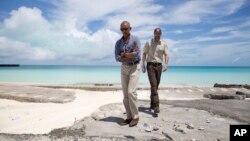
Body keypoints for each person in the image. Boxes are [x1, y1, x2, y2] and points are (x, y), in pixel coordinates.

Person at [115, 21, 141, 127]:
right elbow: (117, 57)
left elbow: (138, 54)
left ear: (130, 28)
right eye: (122, 29)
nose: (124, 31)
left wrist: (125, 55)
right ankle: (129, 117)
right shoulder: (118, 43)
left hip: (135, 66)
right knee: (125, 95)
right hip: (124, 68)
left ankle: (136, 117)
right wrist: (130, 54)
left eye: (126, 29)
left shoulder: (136, 39)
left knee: (131, 92)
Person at [142, 28, 169, 116]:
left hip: (159, 66)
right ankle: (156, 106)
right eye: (156, 33)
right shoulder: (149, 43)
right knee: (153, 85)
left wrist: (166, 64)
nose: (157, 35)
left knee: (155, 86)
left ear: (161, 34)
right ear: (154, 33)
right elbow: (144, 53)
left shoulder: (164, 43)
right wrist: (143, 64)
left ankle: (152, 104)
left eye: (159, 34)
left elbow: (167, 54)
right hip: (150, 66)